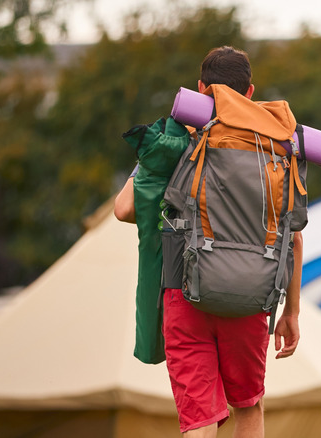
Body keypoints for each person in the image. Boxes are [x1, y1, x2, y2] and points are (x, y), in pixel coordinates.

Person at [115, 46, 303, 438]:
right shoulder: (274, 145)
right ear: (250, 92)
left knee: (200, 418)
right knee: (248, 407)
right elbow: (294, 237)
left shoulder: (180, 137)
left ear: (200, 89)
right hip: (251, 298)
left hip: (184, 294)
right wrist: (292, 313)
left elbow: (124, 209)